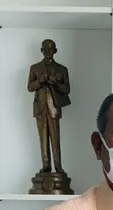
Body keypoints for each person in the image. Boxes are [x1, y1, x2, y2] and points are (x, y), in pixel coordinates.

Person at [27, 39, 71, 174]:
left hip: (54, 107)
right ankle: (46, 165)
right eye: (45, 49)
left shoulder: (62, 69)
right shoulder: (34, 68)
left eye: (50, 49)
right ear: (41, 50)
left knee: (55, 137)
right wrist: (39, 81)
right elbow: (30, 87)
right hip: (40, 107)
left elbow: (67, 89)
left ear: (55, 51)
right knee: (43, 137)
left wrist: (56, 83)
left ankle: (58, 166)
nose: (48, 52)